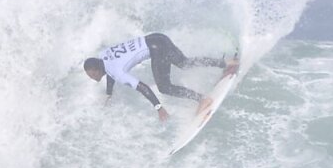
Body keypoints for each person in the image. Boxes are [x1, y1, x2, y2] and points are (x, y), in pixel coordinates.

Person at [83, 33, 238, 122]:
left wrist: (159, 108)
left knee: (164, 87)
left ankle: (202, 99)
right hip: (158, 38)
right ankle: (225, 63)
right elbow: (109, 73)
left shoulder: (116, 71)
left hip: (156, 49)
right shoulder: (103, 56)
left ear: (95, 70)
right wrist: (109, 93)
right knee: (185, 63)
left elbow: (142, 87)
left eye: (91, 75)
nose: (91, 78)